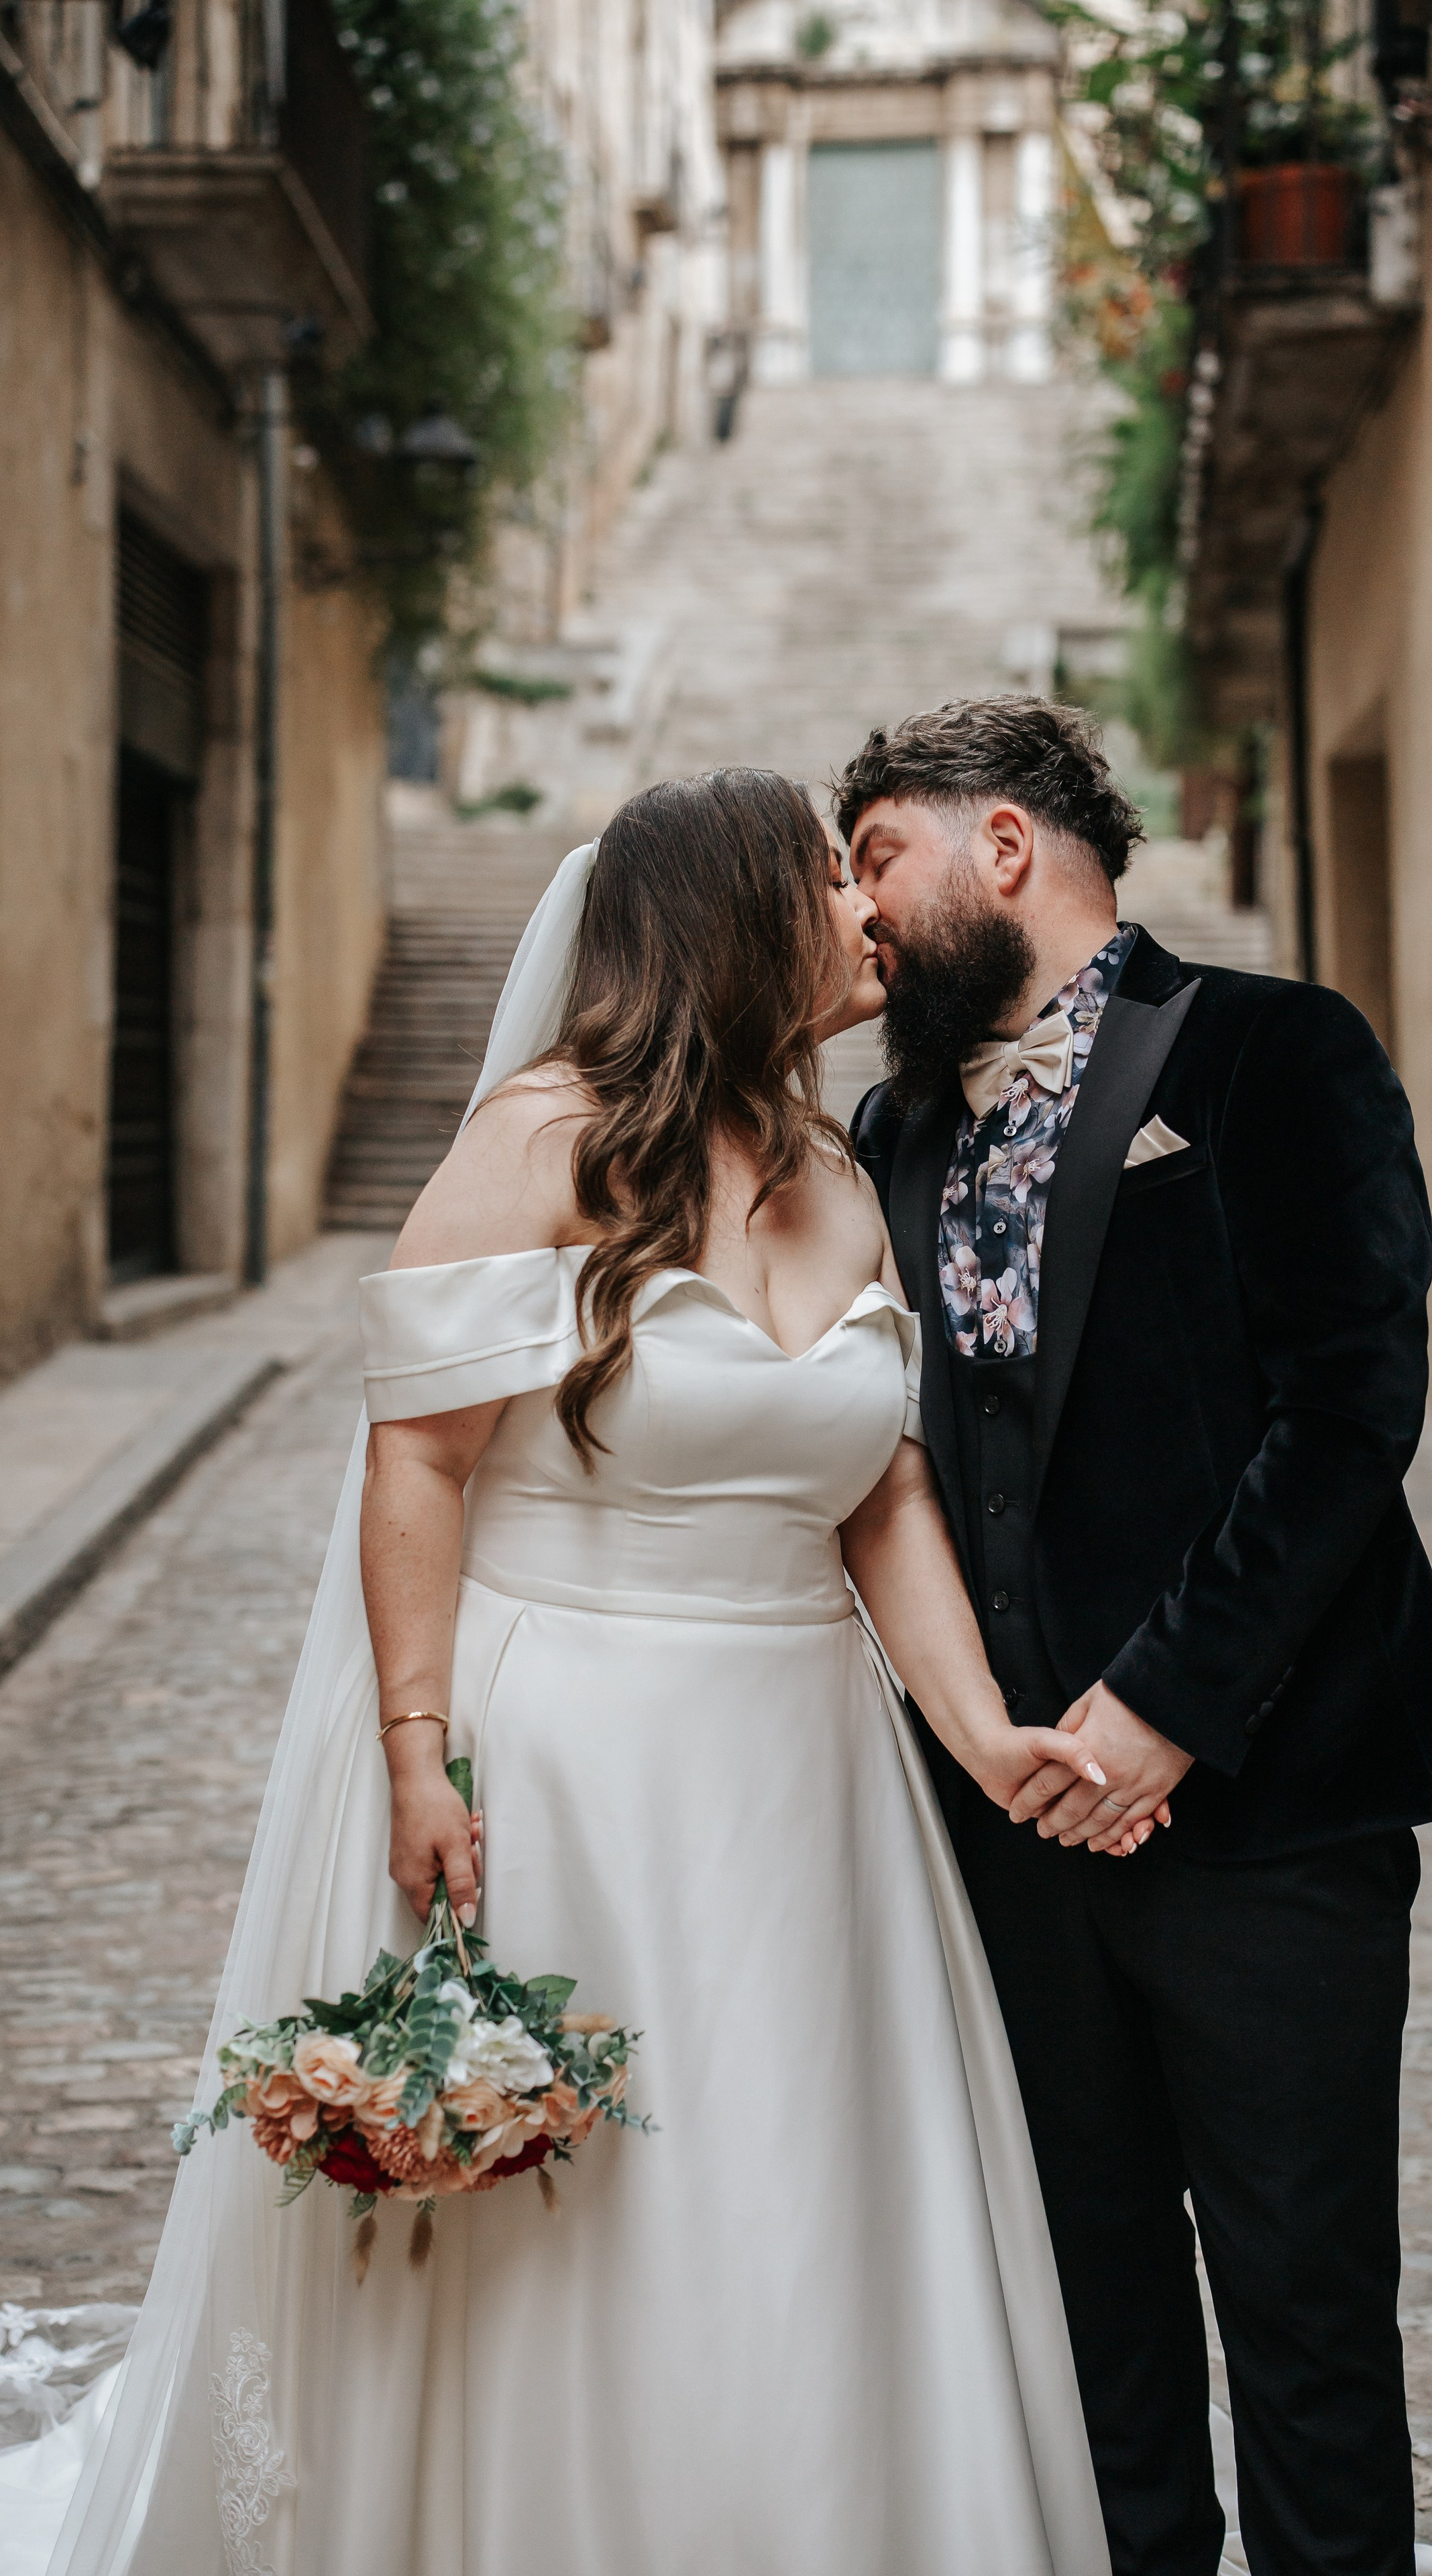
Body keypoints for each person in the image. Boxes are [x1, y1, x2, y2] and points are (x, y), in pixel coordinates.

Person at [28, 772, 1118, 2576]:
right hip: (584, 1771)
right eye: (828, 883)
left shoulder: (841, 1168)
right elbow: (421, 1463)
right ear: (730, 919)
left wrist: (980, 1728)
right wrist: (413, 1750)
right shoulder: (546, 1142)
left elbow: (880, 1493)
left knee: (795, 2202)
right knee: (601, 2224)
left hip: (812, 1787)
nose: (869, 915)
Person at [841, 697, 1432, 2576]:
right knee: (1092, 2334)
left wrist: (1156, 1714)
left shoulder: (1280, 1052)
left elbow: (1350, 1412)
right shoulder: (889, 1128)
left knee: (1304, 2331)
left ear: (1008, 844)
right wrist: (1017, 1750)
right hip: (1012, 1842)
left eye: (879, 852)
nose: (860, 909)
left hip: (1272, 1818)